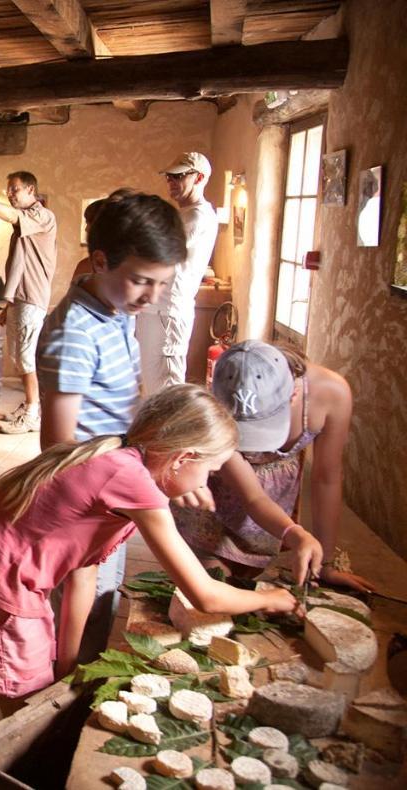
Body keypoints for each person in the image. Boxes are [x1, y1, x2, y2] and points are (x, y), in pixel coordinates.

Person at [0, 385, 306, 715]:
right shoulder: (131, 480)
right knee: (24, 720)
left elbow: (82, 573)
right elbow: (205, 595)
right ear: (182, 458)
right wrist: (274, 599)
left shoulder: (120, 454)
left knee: (42, 704)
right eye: (209, 470)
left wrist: (66, 667)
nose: (206, 481)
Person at [37, 192, 184, 664]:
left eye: (162, 283)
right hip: (85, 504)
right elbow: (58, 448)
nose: (152, 296)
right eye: (142, 281)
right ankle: (56, 707)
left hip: (111, 493)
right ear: (100, 261)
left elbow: (123, 405)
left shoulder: (115, 307)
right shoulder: (75, 332)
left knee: (102, 606)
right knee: (80, 623)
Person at [173, 340, 370, 590]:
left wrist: (326, 564)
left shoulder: (332, 392)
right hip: (212, 512)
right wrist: (295, 534)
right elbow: (253, 497)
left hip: (267, 518)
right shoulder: (219, 404)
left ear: (294, 395)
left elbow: (327, 478)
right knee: (213, 589)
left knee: (246, 583)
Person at [0, 172, 58, 435]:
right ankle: (31, 406)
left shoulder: (42, 215)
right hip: (20, 298)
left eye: (15, 189)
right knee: (18, 357)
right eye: (8, 189)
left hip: (32, 297)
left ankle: (32, 414)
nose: (10, 193)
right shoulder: (24, 222)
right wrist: (8, 305)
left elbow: (13, 215)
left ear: (31, 189)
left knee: (26, 358)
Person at [136, 152, 219, 392]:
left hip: (167, 311)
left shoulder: (198, 216)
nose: (171, 182)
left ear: (199, 177)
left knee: (165, 387)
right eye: (169, 177)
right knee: (153, 384)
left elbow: (156, 253)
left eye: (179, 176)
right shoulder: (184, 214)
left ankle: (170, 430)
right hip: (156, 308)